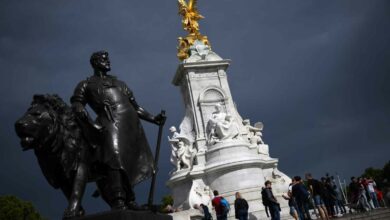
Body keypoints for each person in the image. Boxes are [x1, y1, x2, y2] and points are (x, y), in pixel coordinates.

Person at [71, 51, 165, 210]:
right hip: (108, 122)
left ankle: (130, 199)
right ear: (94, 63)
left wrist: (154, 119)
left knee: (128, 161)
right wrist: (87, 120)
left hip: (130, 126)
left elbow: (137, 108)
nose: (108, 62)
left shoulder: (121, 84)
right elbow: (77, 104)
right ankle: (118, 198)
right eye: (103, 59)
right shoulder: (85, 84)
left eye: (108, 59)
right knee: (114, 159)